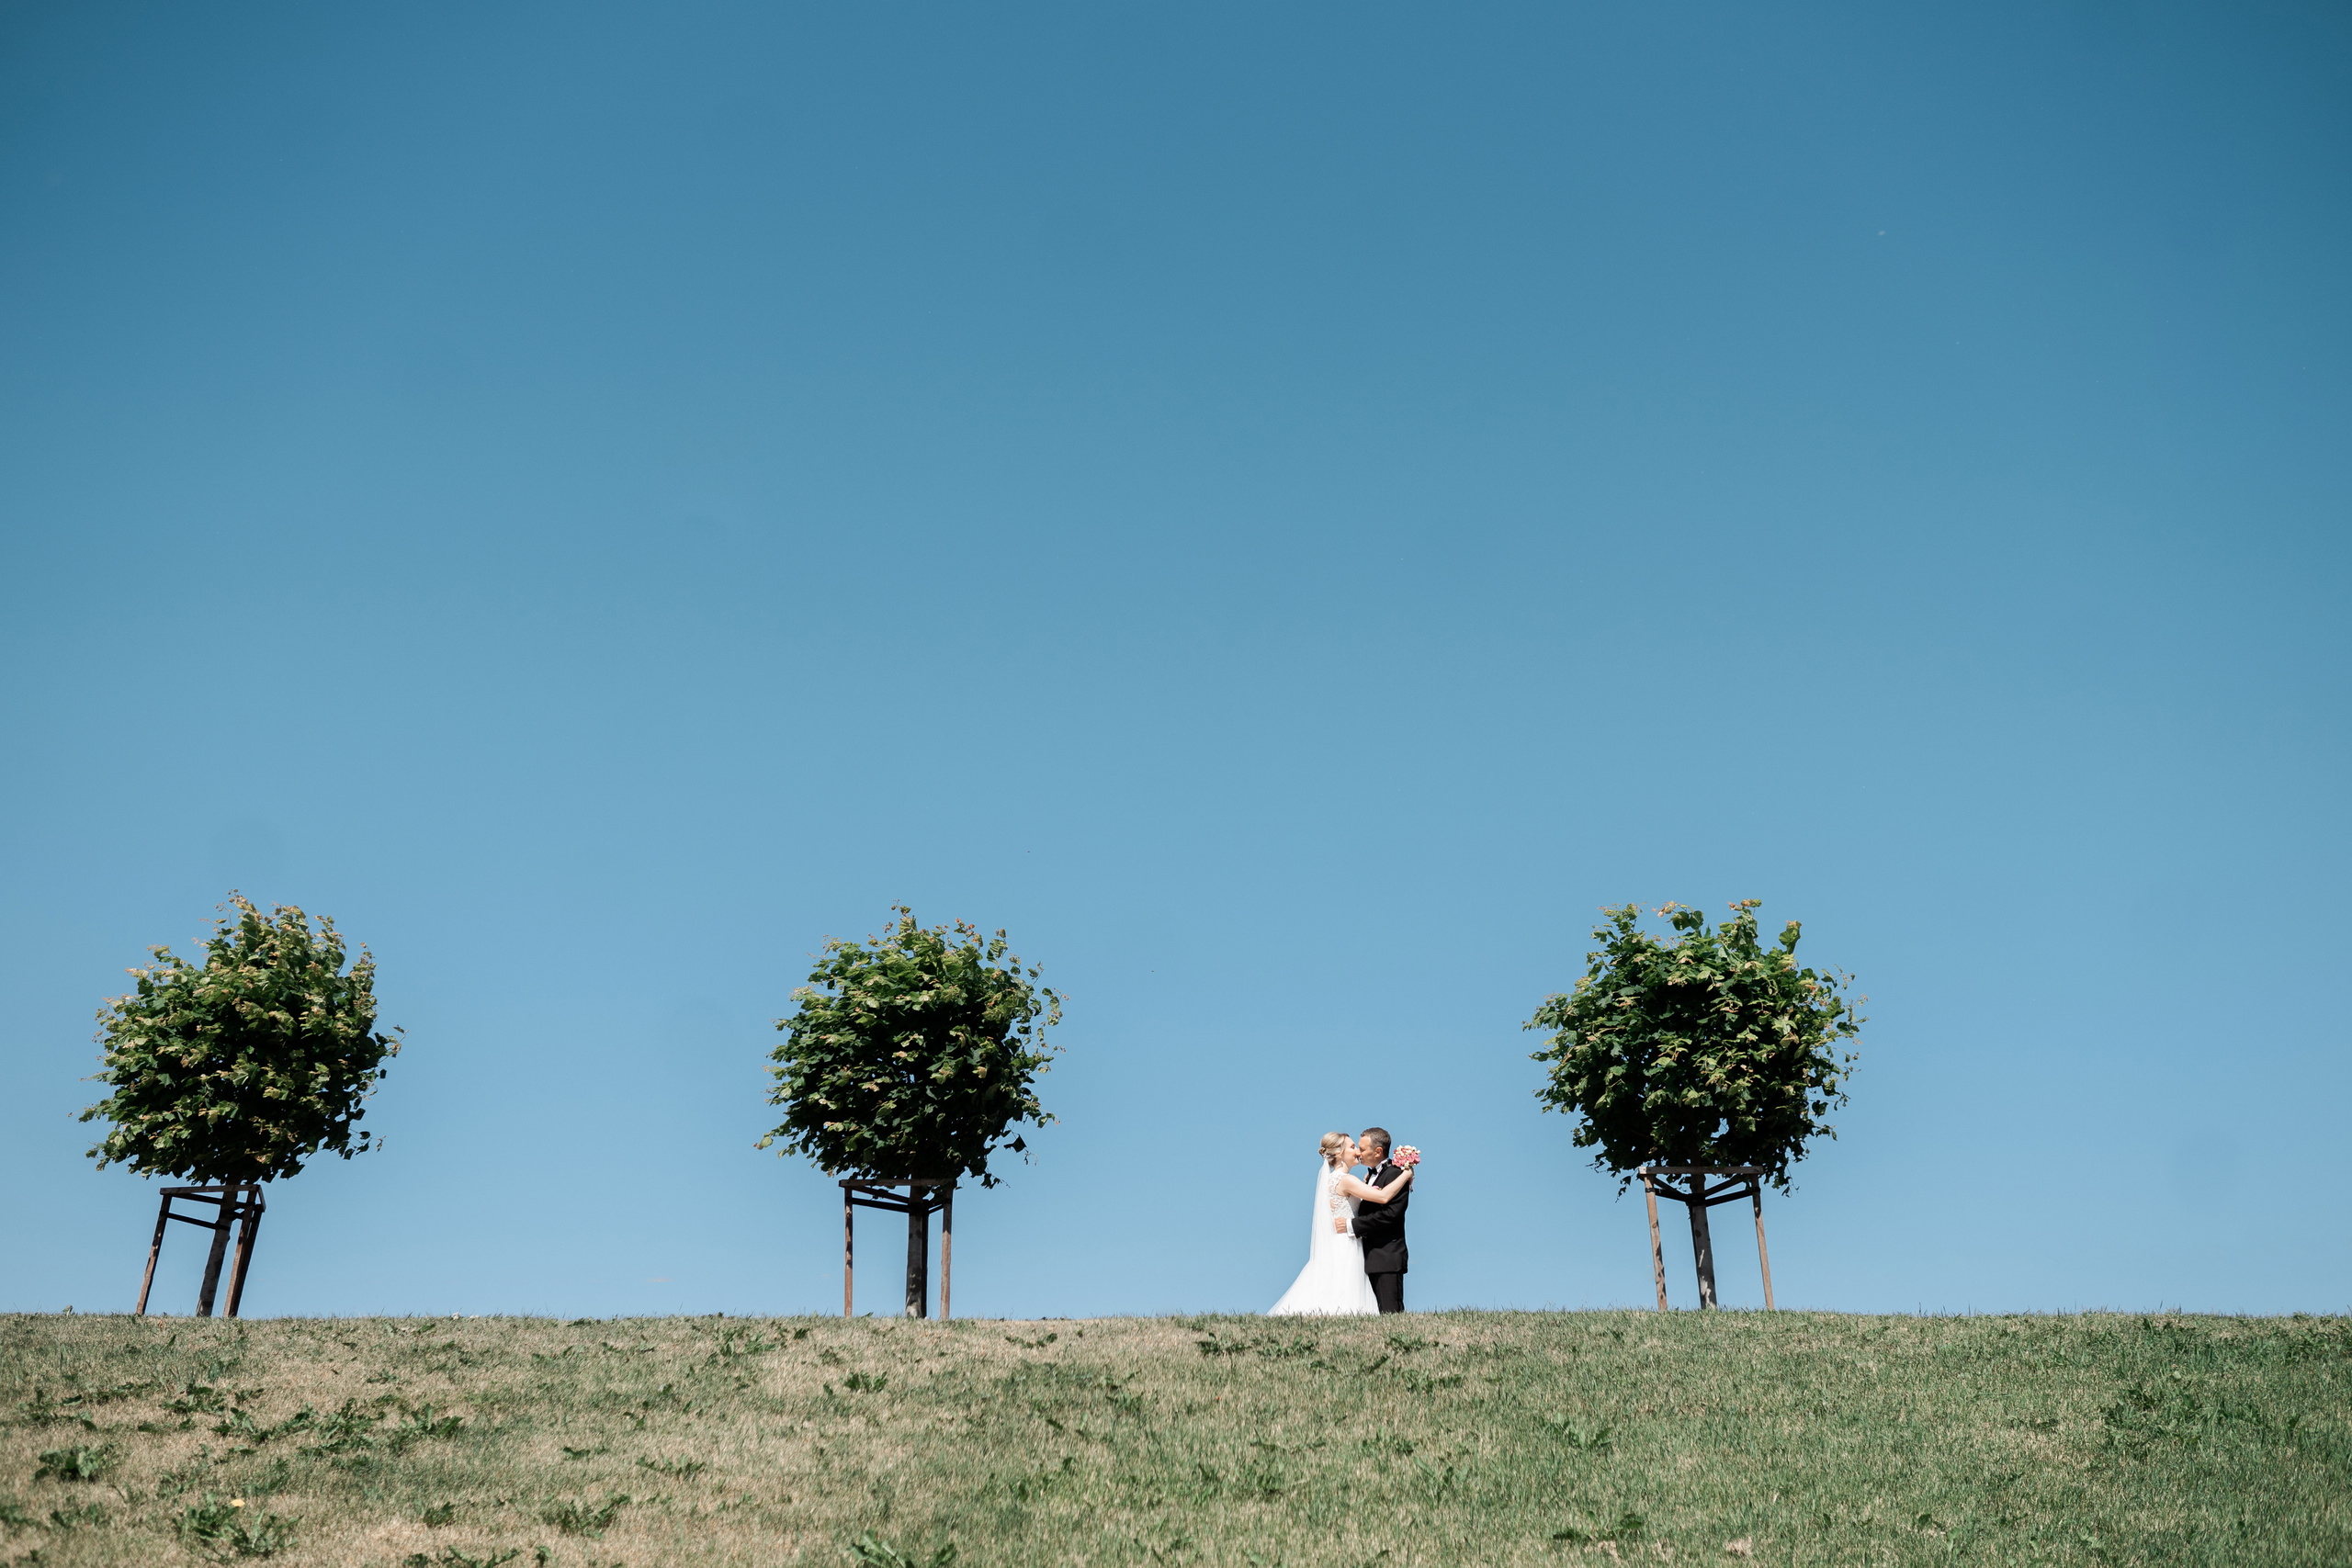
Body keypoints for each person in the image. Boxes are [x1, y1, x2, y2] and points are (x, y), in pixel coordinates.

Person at [1268, 1131, 1413, 1316]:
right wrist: (1406, 1174)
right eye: (1353, 1147)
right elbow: (1383, 1197)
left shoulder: (1334, 1180)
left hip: (1344, 1244)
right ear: (1339, 1154)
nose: (1358, 1153)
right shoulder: (1345, 1180)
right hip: (1348, 1244)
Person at [1350, 1126, 1410, 1314]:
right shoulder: (1370, 1176)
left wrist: (1354, 1225)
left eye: (1362, 1148)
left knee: (1390, 1313)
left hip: (1386, 1257)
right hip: (1367, 1256)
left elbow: (1391, 1214)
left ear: (1378, 1152)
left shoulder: (1395, 1174)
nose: (1358, 1153)